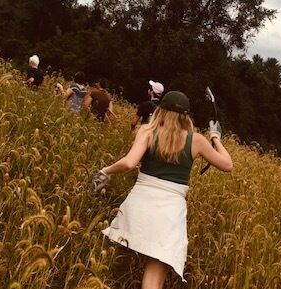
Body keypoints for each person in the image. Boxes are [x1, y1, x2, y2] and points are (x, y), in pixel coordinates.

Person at [92, 91, 233, 289]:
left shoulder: (147, 131)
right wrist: (216, 137)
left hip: (139, 204)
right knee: (155, 272)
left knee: (113, 257)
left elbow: (130, 162)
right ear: (186, 116)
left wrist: (105, 171)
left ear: (161, 110)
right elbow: (227, 165)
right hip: (170, 212)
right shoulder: (197, 140)